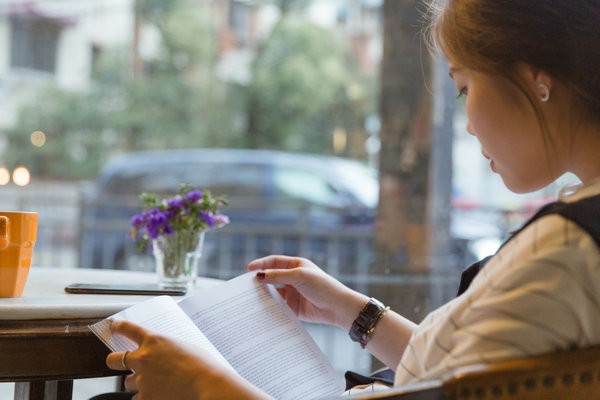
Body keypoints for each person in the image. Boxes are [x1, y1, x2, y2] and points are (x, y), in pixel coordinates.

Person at [101, 0, 600, 398]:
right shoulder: (573, 239)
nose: (467, 123)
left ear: (536, 76)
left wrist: (206, 386)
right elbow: (460, 374)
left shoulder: (564, 248)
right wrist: (351, 311)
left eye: (464, 86)